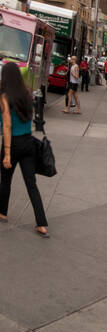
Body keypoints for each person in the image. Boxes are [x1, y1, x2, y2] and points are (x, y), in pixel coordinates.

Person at [0, 60, 49, 237]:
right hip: (28, 143)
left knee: (6, 180)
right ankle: (41, 223)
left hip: (12, 143)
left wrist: (6, 153)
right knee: (31, 184)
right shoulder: (27, 94)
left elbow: (6, 125)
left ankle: (3, 212)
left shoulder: (5, 97)